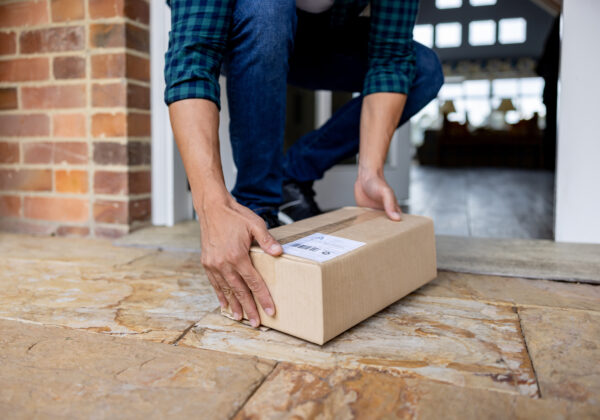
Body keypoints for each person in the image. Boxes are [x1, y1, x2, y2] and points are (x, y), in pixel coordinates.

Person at [165, 0, 444, 328]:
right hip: (246, 22)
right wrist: (211, 204)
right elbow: (193, 58)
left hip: (316, 38)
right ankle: (259, 208)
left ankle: (292, 175)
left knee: (422, 68)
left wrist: (371, 170)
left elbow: (390, 57)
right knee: (267, 8)